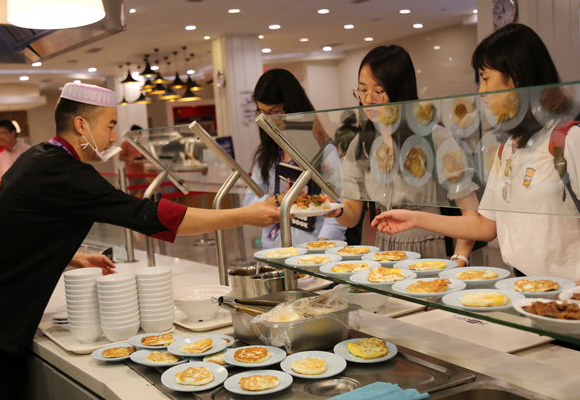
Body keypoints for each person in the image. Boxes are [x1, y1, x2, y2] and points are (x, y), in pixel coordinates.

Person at [0, 82, 279, 400]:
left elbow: (12, 232)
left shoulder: (37, 158)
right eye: (109, 125)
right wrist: (243, 215)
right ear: (81, 124)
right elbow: (149, 216)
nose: (113, 138)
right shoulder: (65, 172)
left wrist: (71, 257)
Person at [372, 24, 580, 282]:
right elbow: (484, 226)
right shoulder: (509, 148)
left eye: (485, 77)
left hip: (569, 293)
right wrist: (414, 218)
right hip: (525, 286)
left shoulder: (568, 139)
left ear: (515, 77)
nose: (481, 91)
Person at [326, 45, 478, 266]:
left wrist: (460, 258)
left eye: (378, 91)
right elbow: (352, 216)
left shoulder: (434, 137)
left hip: (431, 248)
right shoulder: (361, 144)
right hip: (385, 251)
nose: (368, 100)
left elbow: (470, 211)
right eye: (362, 90)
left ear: (399, 91)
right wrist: (334, 209)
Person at [244, 68, 347, 248]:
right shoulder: (266, 153)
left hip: (314, 252)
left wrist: (319, 249)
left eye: (275, 111)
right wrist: (281, 199)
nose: (269, 120)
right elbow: (250, 202)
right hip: (275, 251)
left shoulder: (323, 152)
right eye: (262, 113)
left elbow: (338, 208)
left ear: (292, 106)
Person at [0, 120, 31, 199]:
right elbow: (1, 178)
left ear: (13, 133)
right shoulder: (2, 155)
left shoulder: (26, 150)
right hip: (10, 195)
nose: (0, 137)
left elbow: (26, 175)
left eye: (2, 133)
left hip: (25, 194)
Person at [119, 124, 149, 196]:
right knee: (133, 192)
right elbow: (120, 157)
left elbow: (144, 156)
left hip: (142, 171)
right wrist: (129, 159)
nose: (140, 135)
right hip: (132, 172)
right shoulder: (125, 143)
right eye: (139, 133)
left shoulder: (140, 143)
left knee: (146, 191)